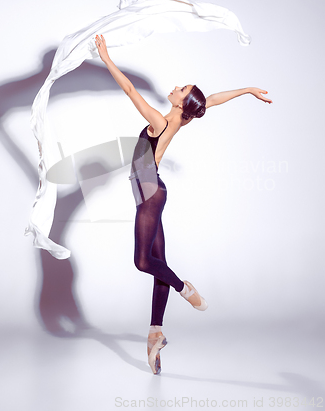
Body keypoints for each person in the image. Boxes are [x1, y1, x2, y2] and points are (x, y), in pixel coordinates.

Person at [95, 34, 272, 375]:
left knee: (143, 261)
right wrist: (247, 90)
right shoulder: (183, 117)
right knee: (157, 261)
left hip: (149, 193)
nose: (175, 88)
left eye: (180, 89)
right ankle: (155, 332)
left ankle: (184, 288)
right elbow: (212, 101)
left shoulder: (162, 122)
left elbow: (131, 91)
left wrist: (107, 60)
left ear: (180, 104)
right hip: (152, 191)